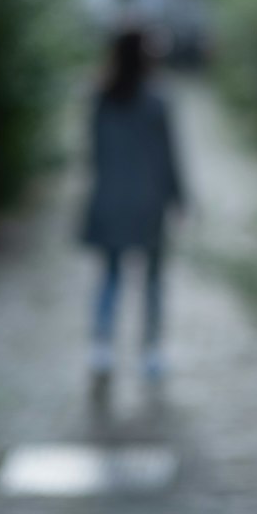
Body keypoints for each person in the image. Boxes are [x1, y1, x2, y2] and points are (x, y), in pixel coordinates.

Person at [80, 28, 184, 392]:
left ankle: (102, 346)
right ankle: (151, 351)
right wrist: (178, 197)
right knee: (152, 281)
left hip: (109, 198)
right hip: (149, 202)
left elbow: (92, 152)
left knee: (110, 276)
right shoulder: (156, 100)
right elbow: (170, 156)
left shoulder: (99, 96)